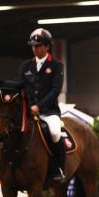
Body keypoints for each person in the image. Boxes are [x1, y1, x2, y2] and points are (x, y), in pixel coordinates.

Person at [19, 28, 66, 182]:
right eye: (33, 46)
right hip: (28, 111)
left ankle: (59, 168)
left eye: (38, 45)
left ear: (47, 47)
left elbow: (55, 90)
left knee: (54, 132)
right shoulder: (26, 66)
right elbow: (21, 87)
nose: (35, 49)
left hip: (49, 111)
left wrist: (38, 107)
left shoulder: (57, 66)